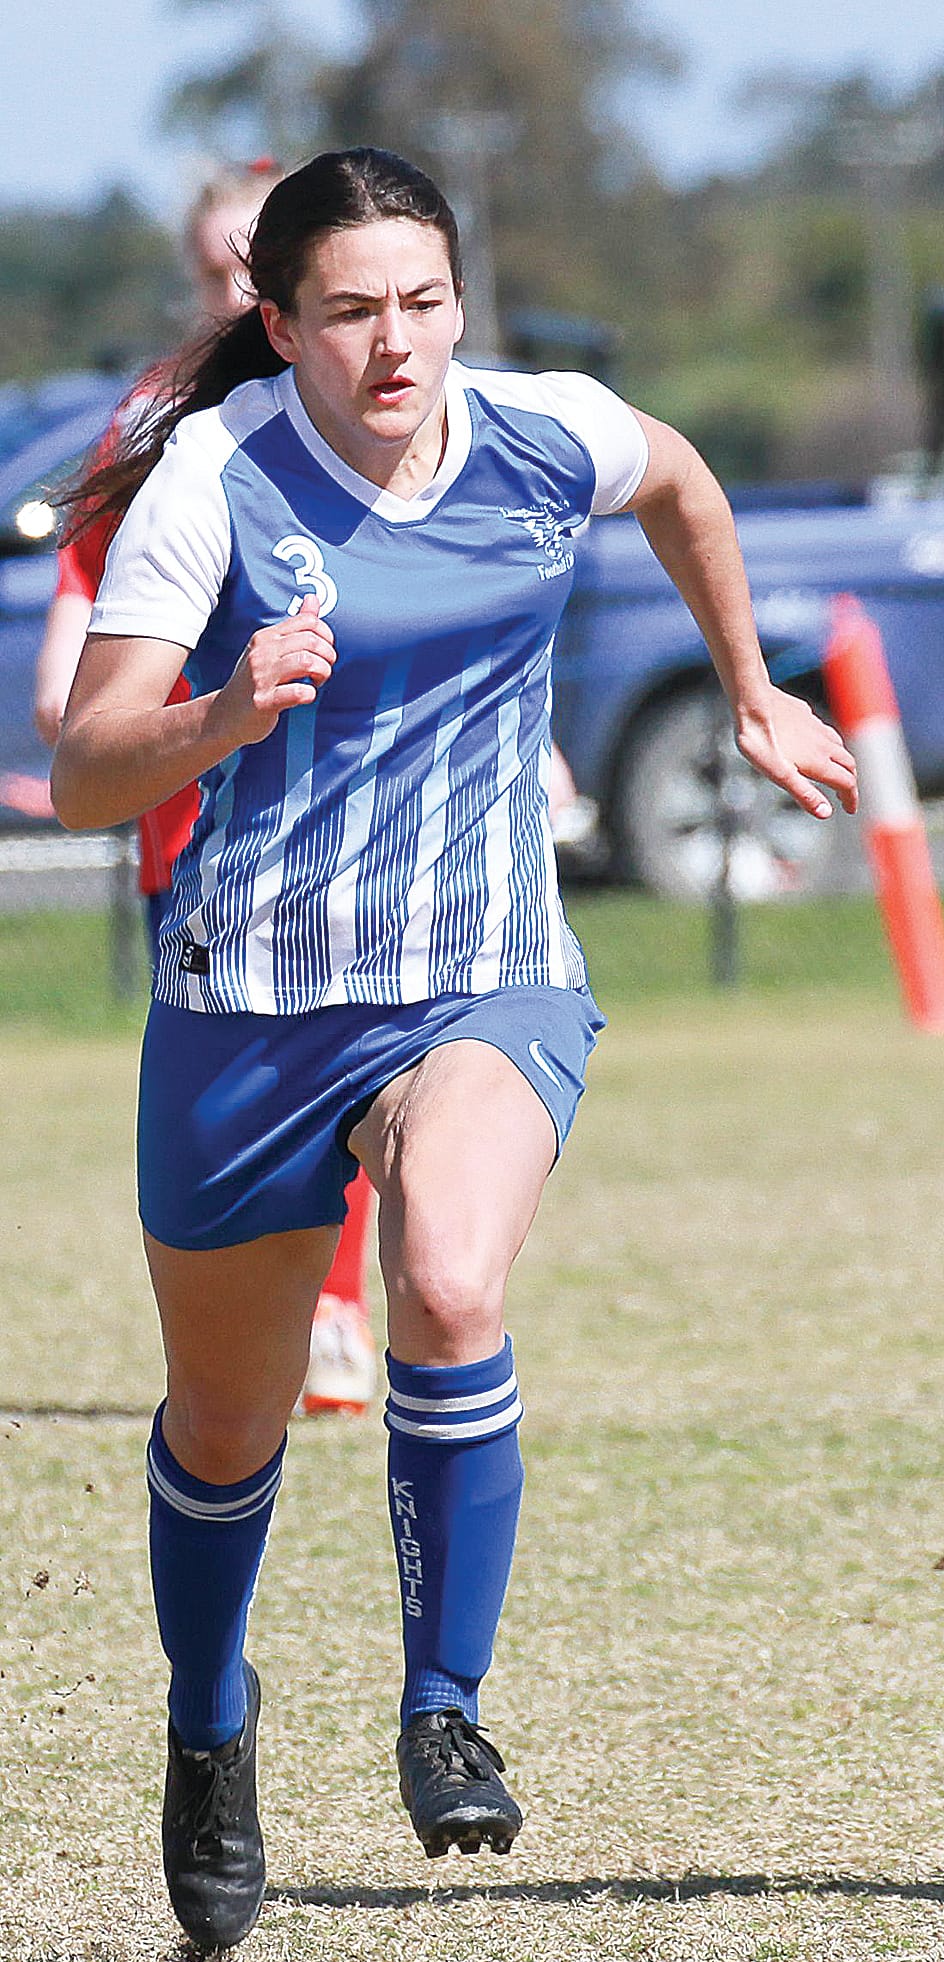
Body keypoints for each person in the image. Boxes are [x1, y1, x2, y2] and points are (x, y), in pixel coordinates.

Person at [52, 145, 854, 1953]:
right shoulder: (216, 478)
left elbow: (688, 485)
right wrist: (223, 705)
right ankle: (208, 1723)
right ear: (278, 321)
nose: (394, 344)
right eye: (347, 312)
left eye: (422, 301)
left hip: (479, 973)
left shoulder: (541, 432)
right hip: (247, 1001)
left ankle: (442, 1707)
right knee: (230, 1421)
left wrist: (745, 683)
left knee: (446, 1278)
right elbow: (90, 764)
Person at [33, 161, 381, 1418]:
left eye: (261, 258)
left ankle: (338, 1314)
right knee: (242, 1089)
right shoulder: (162, 414)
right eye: (217, 262)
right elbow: (91, 564)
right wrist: (71, 681)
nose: (238, 281)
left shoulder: (381, 404)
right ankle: (256, 1322)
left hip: (349, 796)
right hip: (195, 808)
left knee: (366, 1052)